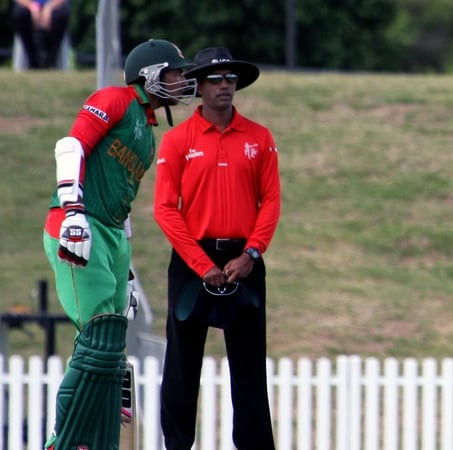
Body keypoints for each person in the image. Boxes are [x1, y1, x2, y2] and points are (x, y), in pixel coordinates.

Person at [41, 38, 195, 449]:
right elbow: (70, 145)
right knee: (95, 341)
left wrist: (126, 265)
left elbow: (123, 196)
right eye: (174, 72)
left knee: (110, 348)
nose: (182, 80)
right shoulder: (114, 98)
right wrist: (73, 210)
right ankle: (65, 439)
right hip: (79, 222)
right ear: (148, 74)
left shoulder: (148, 131)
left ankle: (101, 438)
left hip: (111, 233)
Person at [154, 47, 281, 450]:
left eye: (230, 79)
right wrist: (199, 262)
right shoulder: (178, 140)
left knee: (248, 366)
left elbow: (271, 201)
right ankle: (176, 445)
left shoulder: (259, 137)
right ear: (201, 85)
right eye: (215, 79)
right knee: (181, 362)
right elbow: (164, 209)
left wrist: (252, 253)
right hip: (194, 260)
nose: (225, 85)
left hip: (245, 259)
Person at [12, 0, 70, 69]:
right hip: (29, 8)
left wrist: (49, 7)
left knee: (62, 14)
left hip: (54, 8)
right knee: (20, 13)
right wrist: (32, 7)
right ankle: (32, 62)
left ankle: (51, 62)